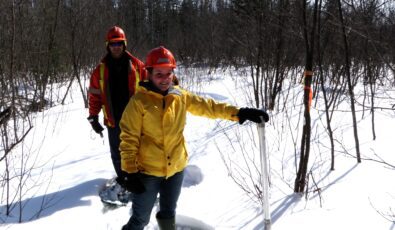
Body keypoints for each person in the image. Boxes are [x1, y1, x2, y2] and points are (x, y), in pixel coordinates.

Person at [118, 46, 269, 230]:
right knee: (140, 219)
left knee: (168, 213)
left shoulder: (180, 96)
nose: (165, 79)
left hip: (176, 169)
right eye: (159, 74)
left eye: (169, 73)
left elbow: (208, 107)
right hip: (148, 172)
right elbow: (128, 138)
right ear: (148, 73)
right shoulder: (139, 102)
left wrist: (239, 113)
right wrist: (129, 171)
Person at [87, 26, 146, 185]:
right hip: (113, 120)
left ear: (124, 44)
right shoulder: (99, 70)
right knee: (118, 153)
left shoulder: (138, 66)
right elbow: (94, 95)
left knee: (139, 151)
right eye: (113, 44)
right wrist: (93, 116)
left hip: (136, 120)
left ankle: (141, 179)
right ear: (108, 46)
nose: (116, 47)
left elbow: (151, 88)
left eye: (119, 43)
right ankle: (124, 180)